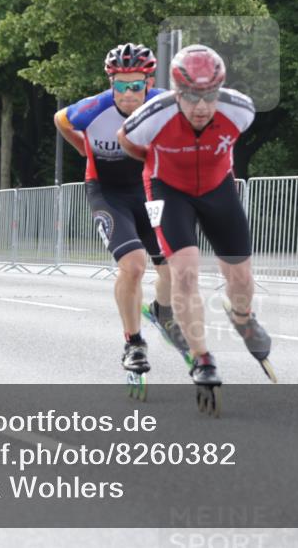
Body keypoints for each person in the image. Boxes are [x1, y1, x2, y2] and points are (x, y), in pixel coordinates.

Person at [117, 44, 274, 398]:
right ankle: (202, 358)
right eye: (190, 96)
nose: (201, 106)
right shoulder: (152, 116)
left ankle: (243, 316)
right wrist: (156, 158)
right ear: (176, 91)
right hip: (167, 188)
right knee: (185, 273)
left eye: (209, 95)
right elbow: (126, 142)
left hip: (218, 187)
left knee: (240, 275)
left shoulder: (241, 110)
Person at [54, 43, 189, 380]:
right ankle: (133, 343)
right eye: (120, 85)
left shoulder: (166, 105)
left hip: (150, 192)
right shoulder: (93, 110)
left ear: (149, 82)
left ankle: (161, 311)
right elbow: (60, 119)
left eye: (135, 85)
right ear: (110, 82)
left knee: (171, 267)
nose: (128, 94)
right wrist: (87, 151)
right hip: (108, 193)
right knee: (133, 266)